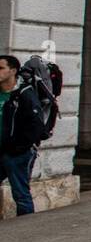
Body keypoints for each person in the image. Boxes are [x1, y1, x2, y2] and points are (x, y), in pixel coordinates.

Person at [0, 55, 46, 216]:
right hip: (2, 149)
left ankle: (26, 230)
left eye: (1, 68)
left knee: (20, 192)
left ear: (12, 71)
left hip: (17, 153)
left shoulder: (24, 94)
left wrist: (18, 147)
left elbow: (36, 125)